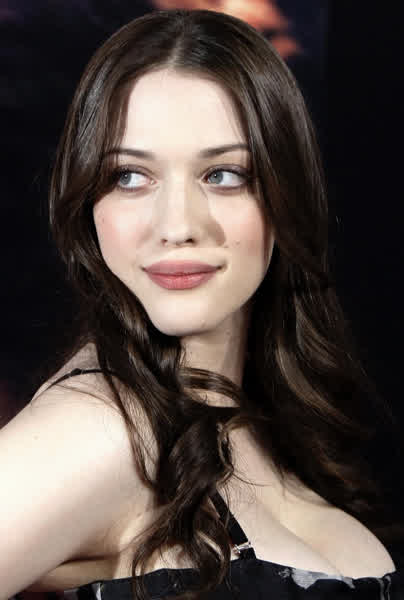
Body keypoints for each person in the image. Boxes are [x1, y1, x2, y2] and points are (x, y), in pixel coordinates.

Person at [2, 8, 403, 600]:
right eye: (129, 176)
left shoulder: (259, 427)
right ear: (88, 202)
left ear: (285, 191)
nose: (177, 225)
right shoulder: (103, 430)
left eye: (223, 174)